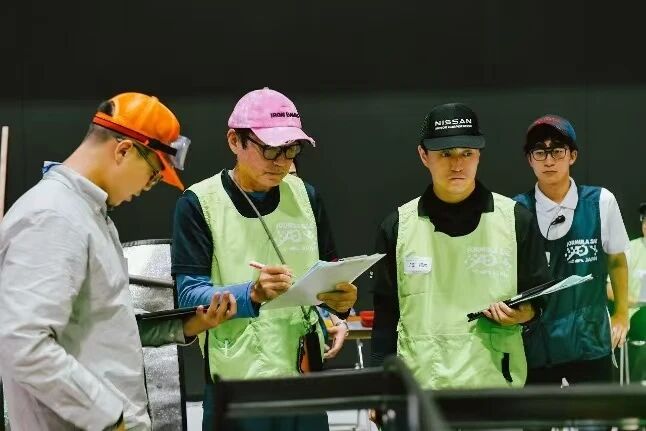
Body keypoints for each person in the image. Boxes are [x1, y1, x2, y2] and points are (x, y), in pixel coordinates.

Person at [0, 93, 241, 431]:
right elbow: (23, 343)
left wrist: (185, 326)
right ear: (124, 150)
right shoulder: (53, 217)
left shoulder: (88, 215)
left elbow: (106, 325)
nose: (149, 186)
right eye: (154, 173)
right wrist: (108, 416)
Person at [171, 87, 357, 430]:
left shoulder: (307, 197)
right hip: (237, 386)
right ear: (235, 141)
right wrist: (251, 293)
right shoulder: (200, 203)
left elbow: (327, 272)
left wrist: (338, 308)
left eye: (291, 149)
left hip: (305, 380)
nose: (282, 162)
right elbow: (188, 297)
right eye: (270, 149)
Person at [370, 102, 549, 390]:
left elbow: (539, 303)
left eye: (467, 153)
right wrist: (379, 388)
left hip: (496, 388)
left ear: (479, 155)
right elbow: (385, 318)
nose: (457, 164)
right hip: (421, 391)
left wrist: (524, 314)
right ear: (424, 155)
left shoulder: (517, 220)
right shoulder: (397, 226)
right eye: (445, 154)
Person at [514, 114, 630, 385]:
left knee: (596, 413)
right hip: (537, 349)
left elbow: (616, 260)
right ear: (530, 159)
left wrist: (622, 314)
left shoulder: (601, 201)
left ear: (573, 156)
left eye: (557, 151)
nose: (549, 161)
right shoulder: (516, 210)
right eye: (539, 152)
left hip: (591, 344)